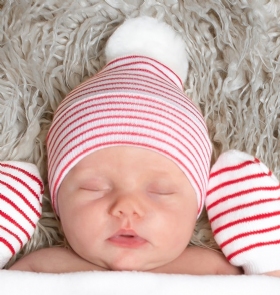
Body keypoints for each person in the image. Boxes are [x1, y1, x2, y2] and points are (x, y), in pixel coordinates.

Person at [2, 17, 280, 276]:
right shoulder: (42, 269)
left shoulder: (213, 273)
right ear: (57, 199)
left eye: (161, 191)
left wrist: (265, 261)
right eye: (93, 187)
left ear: (198, 206)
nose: (127, 206)